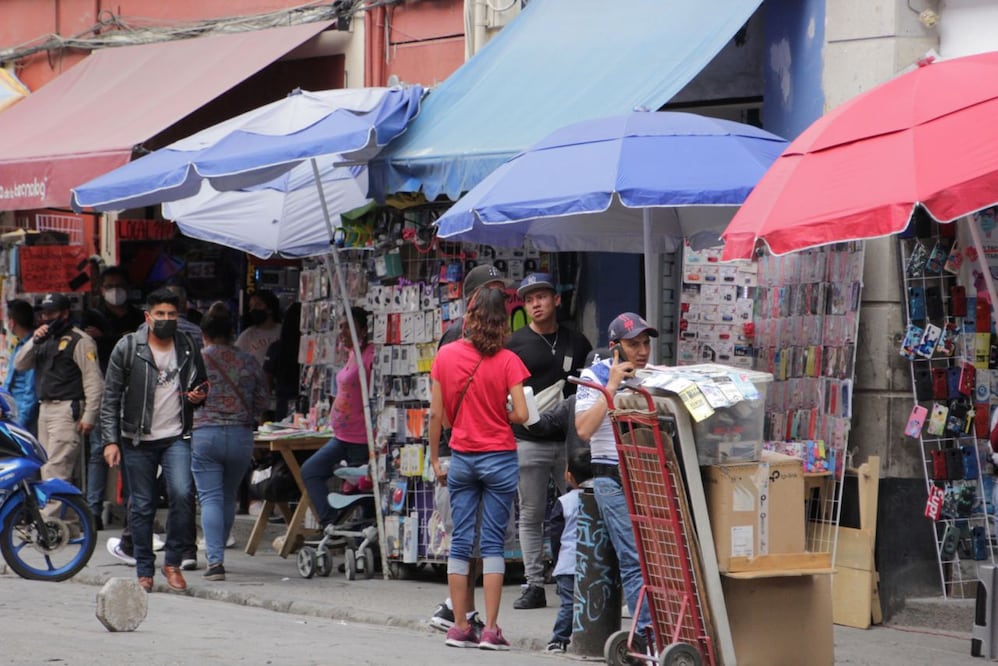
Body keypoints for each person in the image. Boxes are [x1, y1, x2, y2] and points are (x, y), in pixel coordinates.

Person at [429, 286, 530, 650]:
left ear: (469, 319)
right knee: (492, 545)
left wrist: (435, 458)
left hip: (461, 457)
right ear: (503, 323)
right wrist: (499, 412)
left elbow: (437, 415)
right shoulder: (508, 361)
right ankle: (491, 629)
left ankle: (458, 626)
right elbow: (521, 413)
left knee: (459, 543)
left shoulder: (445, 356)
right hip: (499, 457)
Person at [101, 288, 208, 593]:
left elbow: (200, 383)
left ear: (178, 317)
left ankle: (172, 563)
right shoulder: (128, 347)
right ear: (148, 317)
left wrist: (198, 396)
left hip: (176, 435)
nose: (165, 319)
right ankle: (145, 569)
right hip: (136, 438)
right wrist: (110, 441)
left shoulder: (187, 346)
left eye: (171, 315)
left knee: (183, 494)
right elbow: (110, 398)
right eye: (159, 314)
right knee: (143, 505)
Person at [507, 272, 592, 610]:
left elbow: (586, 391)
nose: (535, 304)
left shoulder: (578, 342)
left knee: (577, 509)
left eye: (541, 297)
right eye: (528, 299)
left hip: (570, 442)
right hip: (528, 442)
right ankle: (533, 583)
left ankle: (573, 577)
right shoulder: (514, 344)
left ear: (556, 299)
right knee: (530, 515)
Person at [575, 312, 658, 646]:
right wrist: (611, 387)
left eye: (645, 344)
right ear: (615, 348)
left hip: (648, 475)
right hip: (612, 476)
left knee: (657, 557)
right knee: (635, 558)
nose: (641, 351)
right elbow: (583, 430)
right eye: (633, 344)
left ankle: (656, 629)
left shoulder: (651, 377)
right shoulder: (593, 376)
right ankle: (645, 636)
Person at [192, 303, 268, 581]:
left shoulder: (196, 360)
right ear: (232, 332)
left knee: (209, 497)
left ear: (204, 334)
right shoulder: (249, 360)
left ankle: (215, 561)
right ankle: (217, 553)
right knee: (227, 496)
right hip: (240, 436)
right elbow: (262, 400)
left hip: (205, 434)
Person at [14, 293, 103, 488]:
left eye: (51, 313)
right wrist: (33, 341)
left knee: (56, 470)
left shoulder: (79, 340)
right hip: (44, 409)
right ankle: (69, 517)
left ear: (64, 314)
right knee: (46, 467)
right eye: (44, 313)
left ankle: (50, 519)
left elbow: (93, 380)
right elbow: (20, 364)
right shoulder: (44, 340)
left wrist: (90, 415)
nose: (47, 318)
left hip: (66, 410)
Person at [82, 265, 144, 530]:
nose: (115, 291)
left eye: (119, 285)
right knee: (99, 451)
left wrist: (106, 338)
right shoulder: (93, 315)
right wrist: (113, 338)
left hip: (134, 392)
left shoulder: (137, 317)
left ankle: (132, 510)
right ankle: (92, 511)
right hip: (103, 391)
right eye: (110, 286)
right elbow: (89, 345)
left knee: (131, 452)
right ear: (101, 289)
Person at [300, 307, 374, 529]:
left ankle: (362, 543)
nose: (341, 332)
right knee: (310, 470)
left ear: (360, 328)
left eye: (345, 327)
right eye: (340, 326)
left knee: (362, 489)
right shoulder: (352, 354)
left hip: (359, 437)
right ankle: (331, 521)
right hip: (341, 435)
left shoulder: (370, 355)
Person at [546, 448, 592, 653]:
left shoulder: (564, 502)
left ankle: (558, 639)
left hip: (567, 564)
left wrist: (556, 560)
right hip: (593, 564)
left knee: (568, 604)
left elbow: (555, 536)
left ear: (569, 476)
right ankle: (589, 637)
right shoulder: (601, 499)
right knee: (589, 602)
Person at [263, 301, 302, 421]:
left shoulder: (276, 348)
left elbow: (267, 381)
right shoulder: (310, 348)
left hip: (283, 403)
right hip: (305, 402)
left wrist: (263, 411)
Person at [4, 299, 38, 433]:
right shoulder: (19, 345)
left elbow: (31, 390)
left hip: (23, 417)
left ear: (12, 322)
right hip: (13, 413)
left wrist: (20, 423)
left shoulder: (32, 347)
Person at [235, 289, 281, 367]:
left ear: (270, 309)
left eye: (258, 305)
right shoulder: (247, 335)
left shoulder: (283, 331)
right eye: (251, 307)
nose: (253, 310)